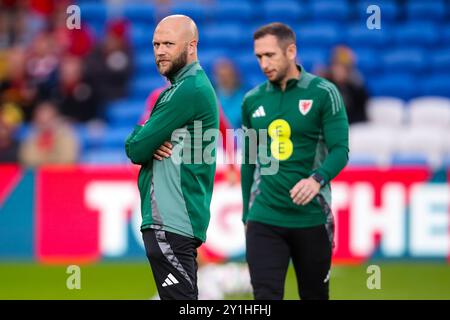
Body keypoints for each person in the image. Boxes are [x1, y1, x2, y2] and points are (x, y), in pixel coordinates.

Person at [241, 23, 349, 300]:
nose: (264, 63)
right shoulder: (252, 100)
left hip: (311, 217)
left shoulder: (323, 93)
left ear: (291, 51)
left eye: (270, 55)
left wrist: (317, 179)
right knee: (264, 297)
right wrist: (246, 215)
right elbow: (249, 161)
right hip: (264, 217)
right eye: (259, 57)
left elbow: (340, 150)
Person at [125, 15, 219, 300]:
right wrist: (146, 138)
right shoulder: (187, 88)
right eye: (155, 44)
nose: (160, 50)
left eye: (168, 43)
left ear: (192, 47)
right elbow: (141, 145)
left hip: (169, 220)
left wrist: (143, 136)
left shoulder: (186, 90)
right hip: (177, 221)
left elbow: (136, 149)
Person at [19, 100, 79, 167]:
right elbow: (27, 160)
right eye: (40, 122)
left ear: (56, 119)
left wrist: (44, 159)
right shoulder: (31, 137)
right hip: (38, 174)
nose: (44, 126)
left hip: (60, 175)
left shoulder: (66, 136)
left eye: (48, 120)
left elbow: (68, 160)